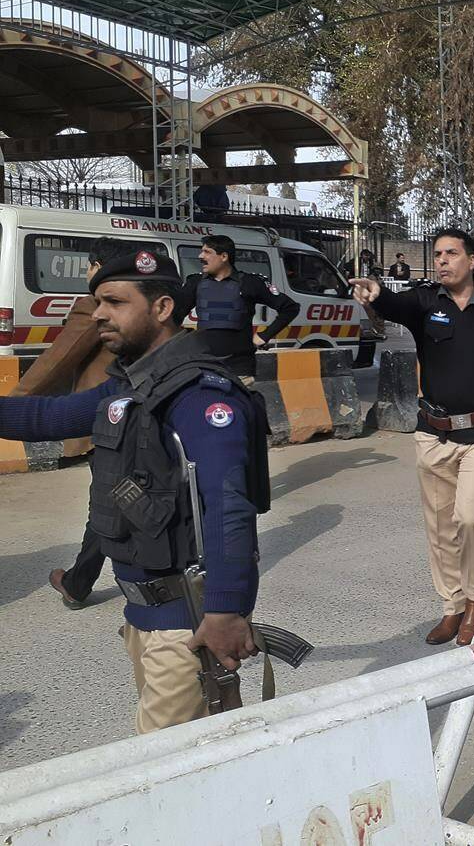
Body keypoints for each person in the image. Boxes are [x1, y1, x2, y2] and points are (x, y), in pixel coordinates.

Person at [0, 251, 269, 733]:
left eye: (114, 302)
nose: (99, 313)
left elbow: (229, 509)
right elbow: (48, 418)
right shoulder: (131, 386)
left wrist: (227, 610)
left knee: (158, 771)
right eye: (97, 301)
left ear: (162, 308)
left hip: (185, 625)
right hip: (142, 619)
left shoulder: (199, 395)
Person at [351, 229, 474, 646]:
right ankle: (451, 605)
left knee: (470, 517)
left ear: (471, 261)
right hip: (433, 433)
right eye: (437, 254)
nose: (442, 261)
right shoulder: (424, 303)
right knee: (440, 527)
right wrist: (374, 291)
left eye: (451, 253)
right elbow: (392, 303)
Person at [14, 237, 134, 609]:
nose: (86, 273)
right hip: (141, 415)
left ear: (98, 267)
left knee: (109, 504)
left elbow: (57, 359)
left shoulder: (95, 305)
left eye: (88, 266)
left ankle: (79, 583)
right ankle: (82, 581)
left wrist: (16, 404)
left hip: (102, 417)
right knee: (124, 499)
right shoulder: (144, 301)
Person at [180, 235, 300, 382]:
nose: (200, 256)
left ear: (224, 256)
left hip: (240, 369)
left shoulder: (251, 283)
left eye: (207, 252)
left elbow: (290, 308)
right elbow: (175, 315)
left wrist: (264, 335)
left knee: (239, 405)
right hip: (204, 367)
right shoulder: (195, 283)